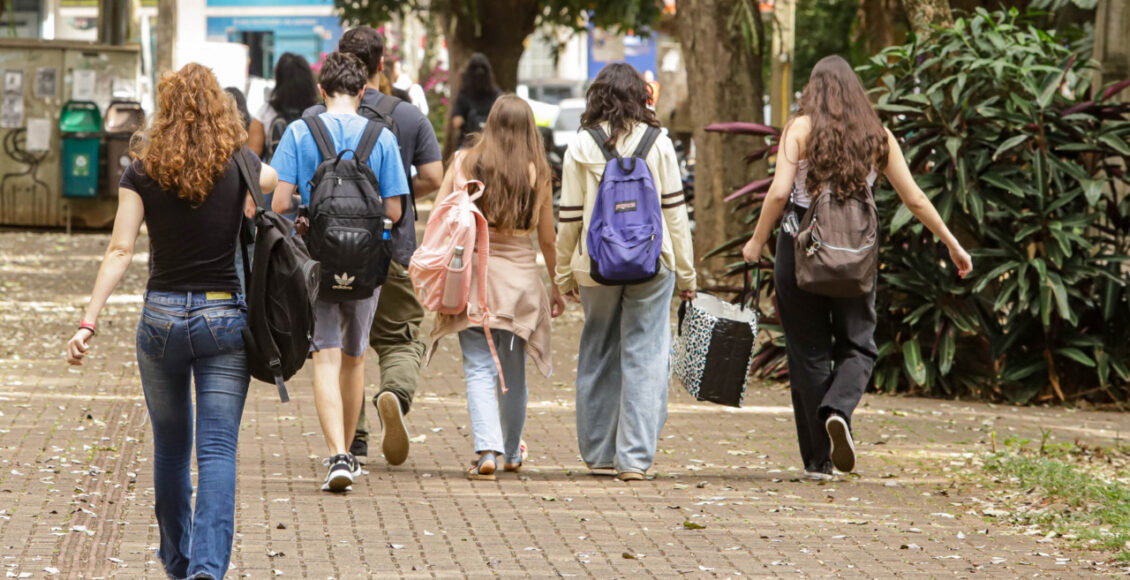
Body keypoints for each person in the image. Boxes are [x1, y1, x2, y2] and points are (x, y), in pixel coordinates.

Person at [65, 63, 278, 579]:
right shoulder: (241, 163)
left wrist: (88, 321)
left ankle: (177, 559)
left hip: (160, 317)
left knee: (170, 444)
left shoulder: (142, 168)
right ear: (220, 111)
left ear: (165, 110)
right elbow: (274, 181)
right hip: (224, 318)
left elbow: (120, 249)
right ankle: (207, 567)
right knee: (218, 448)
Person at [741, 55, 973, 480]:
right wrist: (953, 244)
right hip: (856, 255)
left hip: (802, 251)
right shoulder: (877, 136)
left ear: (813, 90)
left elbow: (777, 195)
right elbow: (915, 199)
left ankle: (818, 463)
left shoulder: (801, 129)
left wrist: (756, 242)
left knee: (808, 352)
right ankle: (839, 409)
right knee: (860, 346)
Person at [303, 26, 444, 466]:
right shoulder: (406, 117)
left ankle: (352, 440)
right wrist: (389, 201)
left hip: (326, 253)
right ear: (380, 65)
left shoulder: (313, 118)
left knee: (341, 347)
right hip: (390, 250)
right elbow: (435, 177)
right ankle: (394, 395)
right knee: (398, 338)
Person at [270, 52, 410, 492]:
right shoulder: (381, 136)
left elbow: (278, 203)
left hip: (318, 260)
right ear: (364, 91)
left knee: (325, 356)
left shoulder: (299, 131)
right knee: (356, 356)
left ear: (322, 91)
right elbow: (395, 209)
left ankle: (337, 455)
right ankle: (351, 453)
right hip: (367, 263)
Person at [555, 62, 696, 482]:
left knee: (598, 348)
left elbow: (569, 219)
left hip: (596, 264)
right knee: (646, 353)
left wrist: (564, 273)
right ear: (641, 96)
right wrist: (686, 275)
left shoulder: (581, 145)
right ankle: (633, 459)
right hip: (653, 263)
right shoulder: (659, 143)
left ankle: (599, 454)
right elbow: (675, 215)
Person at [428, 95, 566, 479]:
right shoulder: (537, 171)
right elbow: (548, 239)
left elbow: (441, 218)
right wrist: (557, 285)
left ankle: (486, 450)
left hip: (472, 279)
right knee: (514, 372)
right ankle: (512, 453)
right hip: (520, 285)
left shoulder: (464, 162)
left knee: (477, 366)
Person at [249, 53, 319, 161]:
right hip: (313, 176)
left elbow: (252, 158)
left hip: (276, 176)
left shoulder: (266, 112)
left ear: (279, 80)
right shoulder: (318, 112)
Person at [451, 53, 501, 149]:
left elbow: (456, 122)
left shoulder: (464, 93)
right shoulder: (496, 94)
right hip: (491, 144)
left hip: (468, 144)